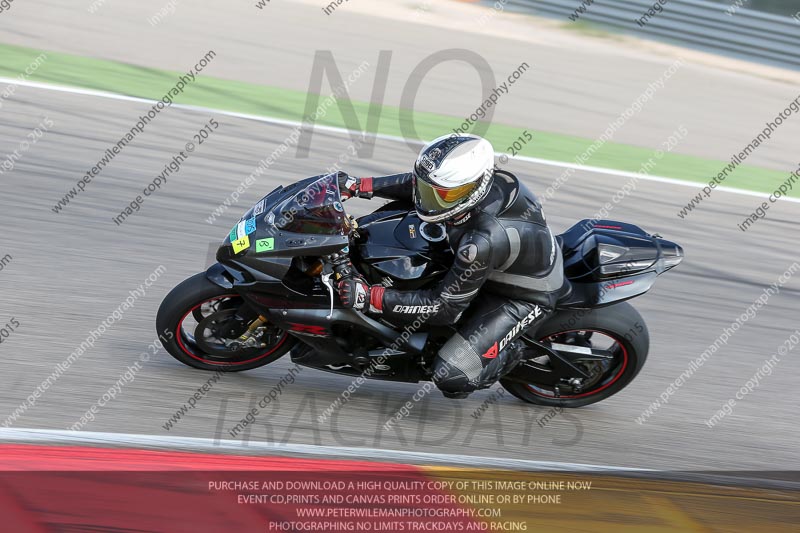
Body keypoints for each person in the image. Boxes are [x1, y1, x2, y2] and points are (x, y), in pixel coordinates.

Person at [336, 134, 565, 398]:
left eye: (441, 195)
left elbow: (442, 308)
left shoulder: (480, 242)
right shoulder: (479, 183)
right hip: (502, 261)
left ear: (473, 189)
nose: (427, 199)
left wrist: (370, 297)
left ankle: (515, 351)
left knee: (451, 375)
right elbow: (421, 186)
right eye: (428, 189)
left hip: (523, 296)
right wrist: (360, 185)